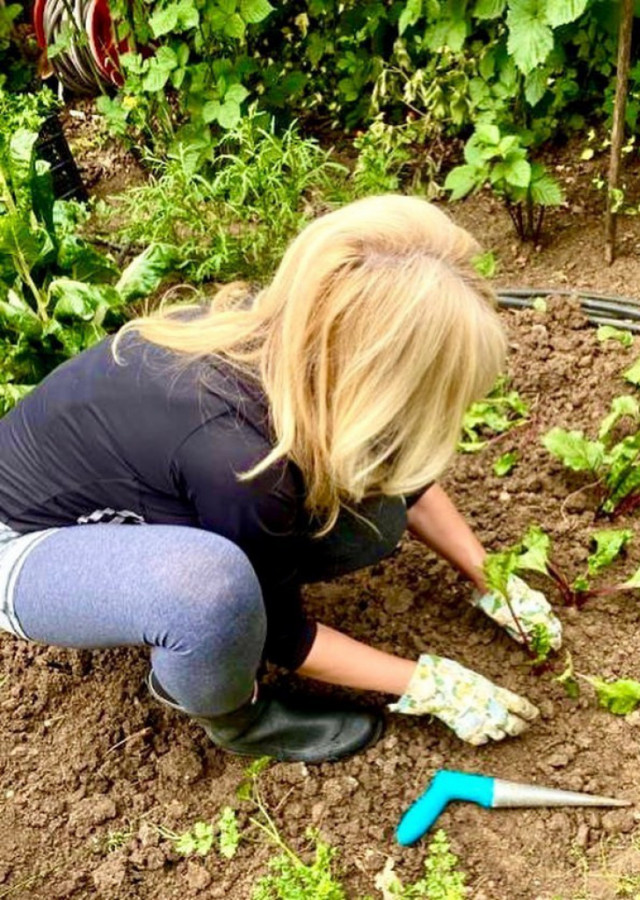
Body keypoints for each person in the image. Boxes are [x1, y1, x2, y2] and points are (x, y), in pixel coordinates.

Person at [0, 195, 563, 764]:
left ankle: (219, 584)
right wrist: (430, 684)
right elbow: (281, 634)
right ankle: (237, 717)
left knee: (373, 518)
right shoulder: (243, 462)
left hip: (162, 483)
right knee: (210, 595)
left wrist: (493, 580)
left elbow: (398, 473)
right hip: (23, 544)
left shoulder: (303, 334)